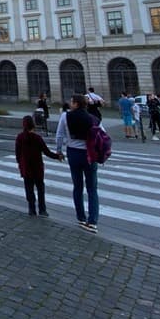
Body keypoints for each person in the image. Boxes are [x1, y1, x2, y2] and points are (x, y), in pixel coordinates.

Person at [56, 94, 100, 233]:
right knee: (92, 189)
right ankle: (92, 221)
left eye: (71, 101)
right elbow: (102, 136)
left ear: (76, 104)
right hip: (89, 155)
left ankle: (81, 217)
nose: (70, 103)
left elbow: (59, 135)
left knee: (77, 186)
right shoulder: (93, 118)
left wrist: (59, 151)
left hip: (73, 153)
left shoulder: (65, 116)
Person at [16, 114, 62, 217]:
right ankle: (42, 210)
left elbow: (17, 154)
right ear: (33, 125)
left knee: (29, 189)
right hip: (37, 167)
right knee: (40, 189)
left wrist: (20, 165)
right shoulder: (37, 138)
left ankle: (31, 209)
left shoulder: (20, 137)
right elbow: (47, 152)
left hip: (26, 168)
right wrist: (57, 156)